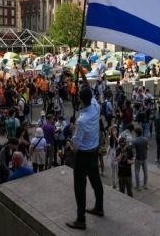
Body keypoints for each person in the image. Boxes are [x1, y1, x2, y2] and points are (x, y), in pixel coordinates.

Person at [67, 76, 104, 231]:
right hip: (94, 152)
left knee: (80, 188)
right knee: (96, 181)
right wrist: (82, 74)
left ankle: (81, 219)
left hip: (82, 156)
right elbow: (88, 88)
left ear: (80, 100)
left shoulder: (81, 121)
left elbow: (75, 146)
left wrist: (71, 131)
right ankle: (99, 207)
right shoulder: (96, 107)